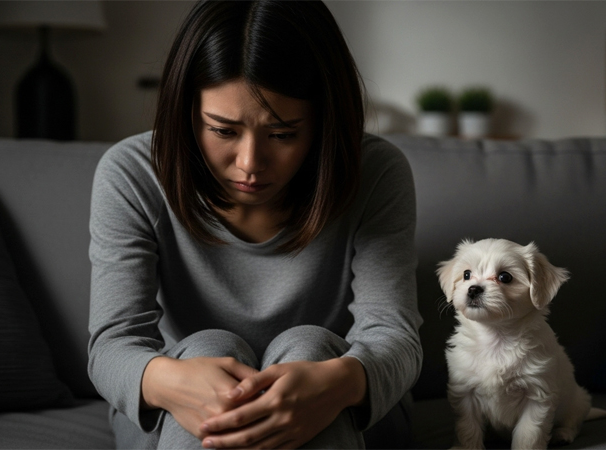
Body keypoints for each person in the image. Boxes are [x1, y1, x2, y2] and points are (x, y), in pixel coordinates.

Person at [87, 1, 422, 449]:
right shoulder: (132, 173)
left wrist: (337, 381)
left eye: (282, 134)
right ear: (187, 113)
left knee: (311, 345)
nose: (250, 165)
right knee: (208, 348)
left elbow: (394, 336)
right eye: (223, 131)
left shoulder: (375, 172)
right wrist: (172, 381)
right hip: (178, 407)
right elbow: (113, 345)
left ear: (324, 122)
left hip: (344, 405)